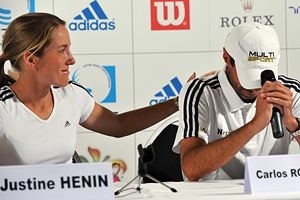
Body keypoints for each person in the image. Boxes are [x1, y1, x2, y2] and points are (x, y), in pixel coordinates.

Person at [0, 12, 188, 165]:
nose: (71, 59)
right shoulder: (4, 108)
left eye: (69, 49)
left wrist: (178, 102)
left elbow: (118, 125)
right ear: (31, 59)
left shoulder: (72, 95)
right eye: (61, 50)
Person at [173, 22, 300, 181]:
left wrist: (292, 124)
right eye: (249, 75)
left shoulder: (290, 91)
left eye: (262, 75)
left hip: (270, 193)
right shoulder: (202, 91)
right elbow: (191, 169)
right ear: (227, 58)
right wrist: (255, 125)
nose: (256, 88)